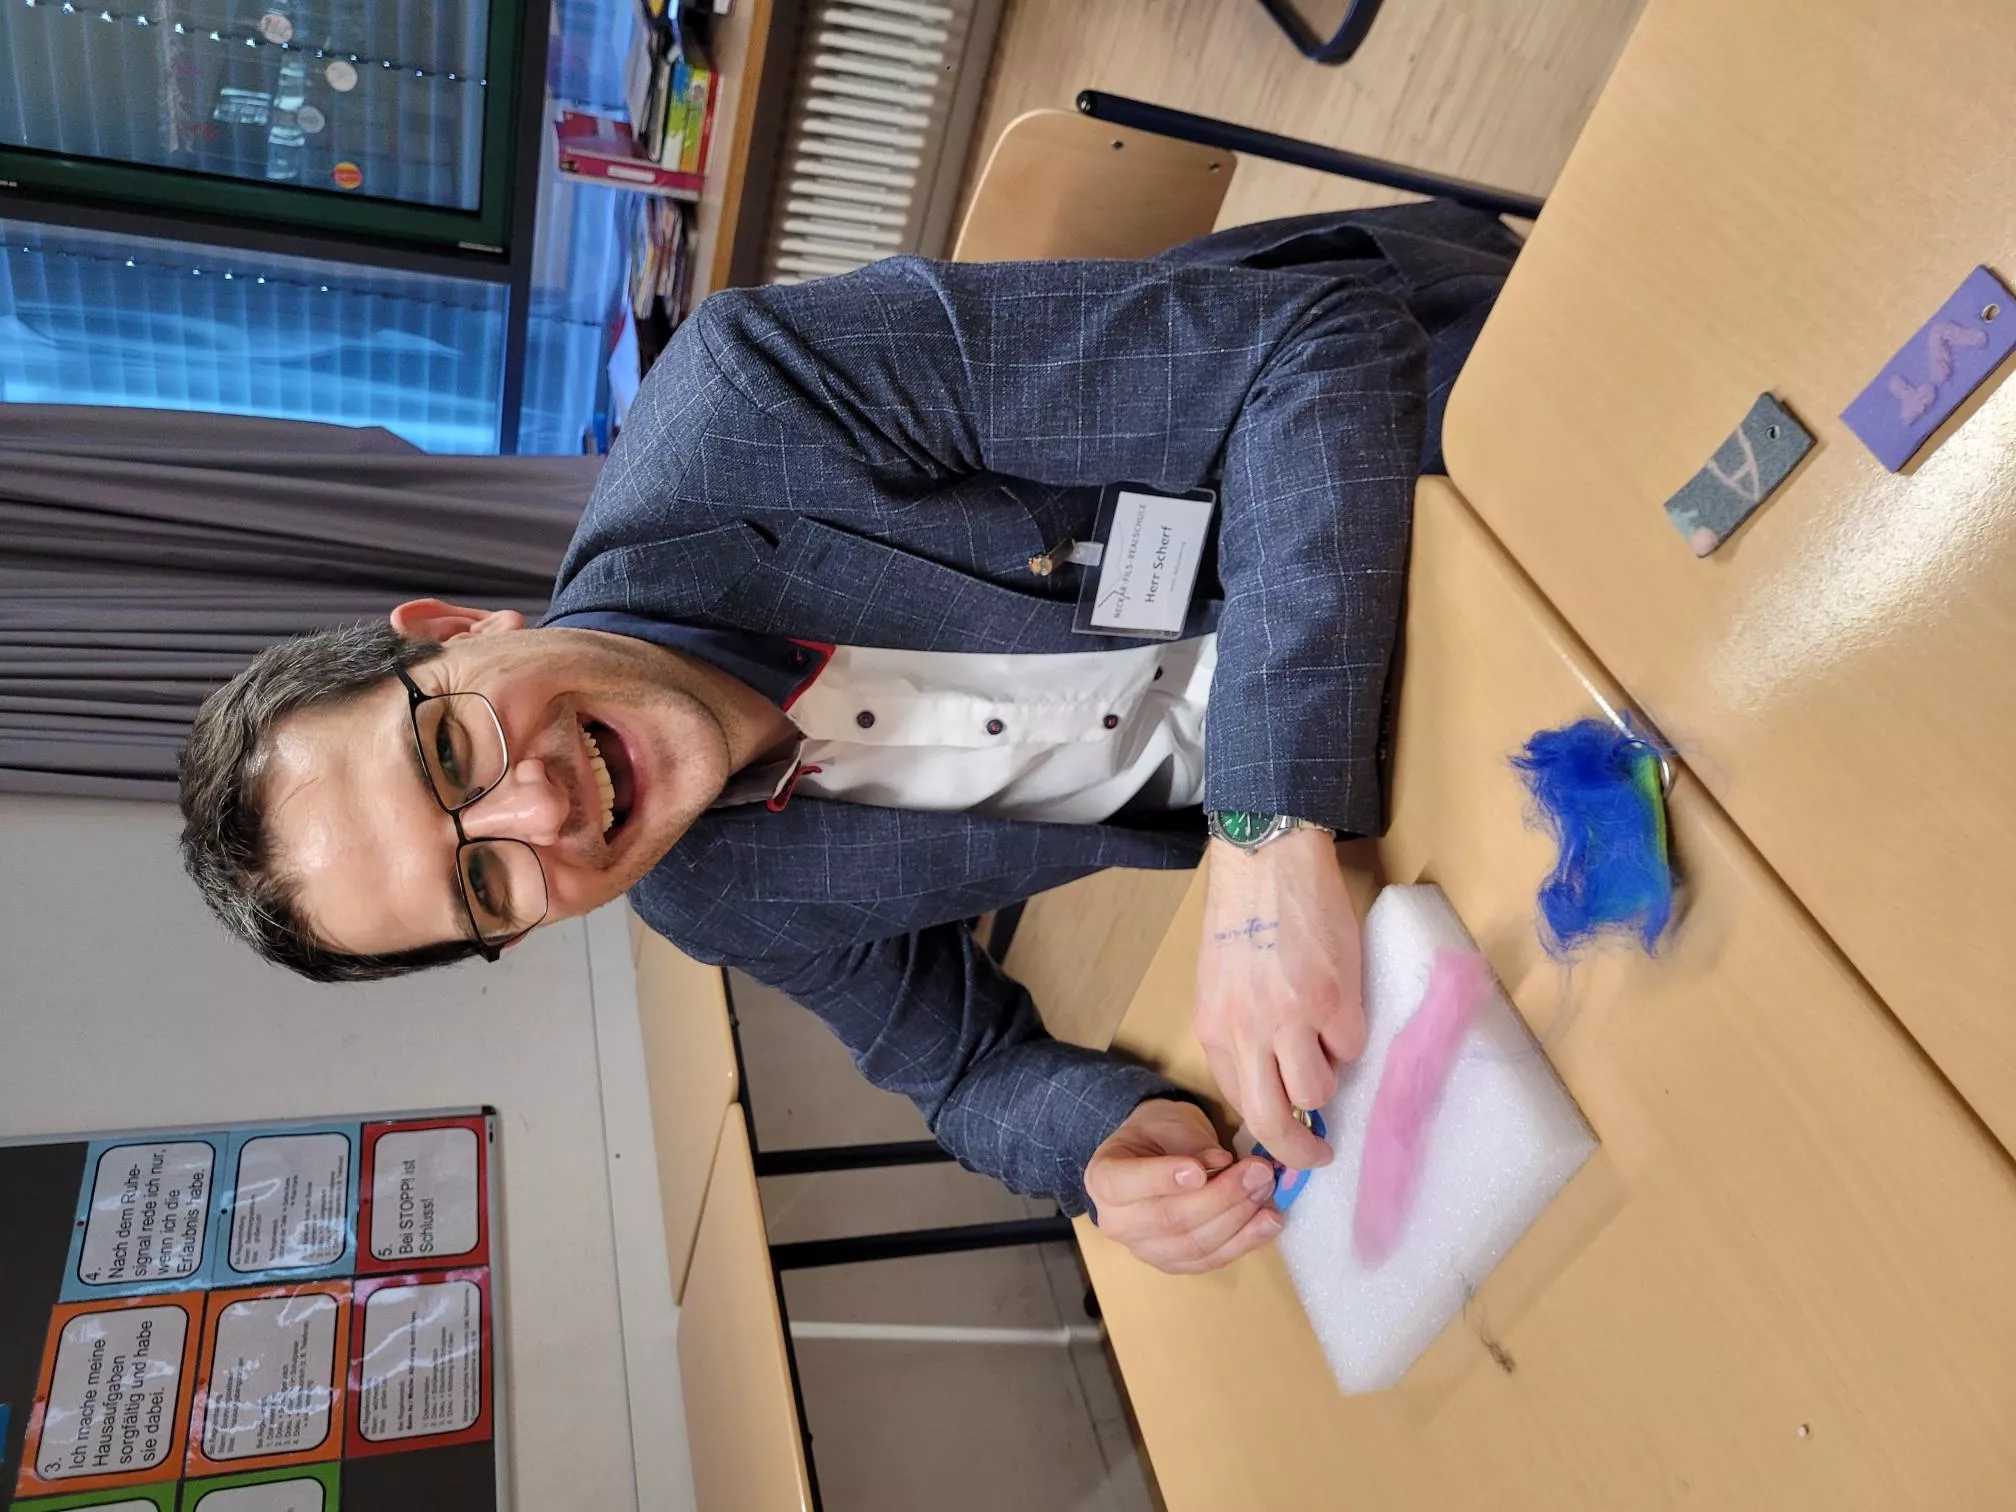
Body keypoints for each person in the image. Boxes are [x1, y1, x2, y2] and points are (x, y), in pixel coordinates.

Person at [178, 200, 1518, 1275]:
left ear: (455, 627)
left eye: (448, 756)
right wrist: (1099, 1148)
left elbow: (1314, 344)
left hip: (1458, 481)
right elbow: (963, 1070)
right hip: (1412, 795)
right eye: (483, 880)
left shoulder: (754, 400)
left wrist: (1267, 827)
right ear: (517, 931)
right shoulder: (714, 898)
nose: (539, 812)